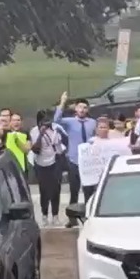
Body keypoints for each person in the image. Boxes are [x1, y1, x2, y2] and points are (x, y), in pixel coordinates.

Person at [54, 91, 98, 226]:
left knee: (89, 191)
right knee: (74, 190)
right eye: (80, 107)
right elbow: (56, 120)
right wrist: (62, 102)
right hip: (74, 159)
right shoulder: (70, 122)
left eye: (85, 108)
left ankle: (88, 215)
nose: (82, 110)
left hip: (88, 161)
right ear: (76, 109)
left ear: (87, 110)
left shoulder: (92, 122)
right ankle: (72, 218)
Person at [30, 114, 65, 226]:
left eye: (48, 121)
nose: (47, 123)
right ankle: (44, 215)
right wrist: (41, 134)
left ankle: (55, 215)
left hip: (55, 162)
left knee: (56, 189)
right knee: (44, 190)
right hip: (41, 164)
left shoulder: (56, 129)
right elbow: (35, 149)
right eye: (44, 121)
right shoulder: (34, 131)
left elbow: (62, 142)